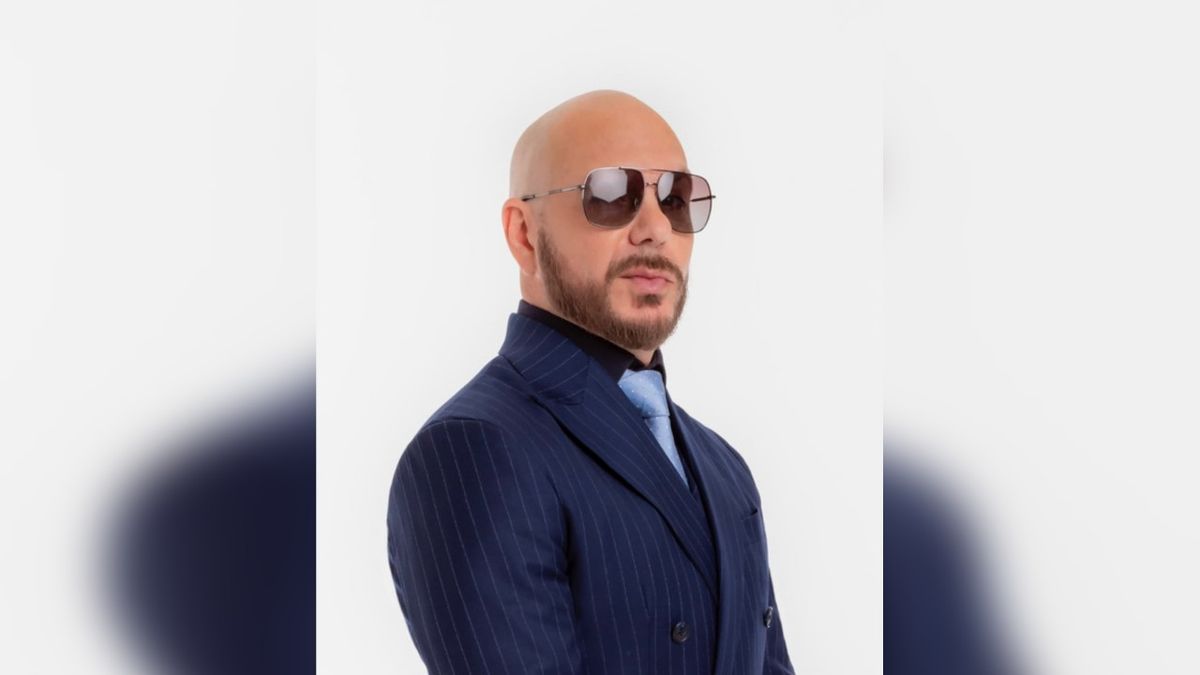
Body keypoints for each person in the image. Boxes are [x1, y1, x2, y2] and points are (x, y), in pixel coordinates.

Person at [386, 89, 794, 674]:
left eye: (676, 199)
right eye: (610, 195)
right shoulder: (475, 447)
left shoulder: (724, 467)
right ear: (524, 234)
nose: (655, 229)